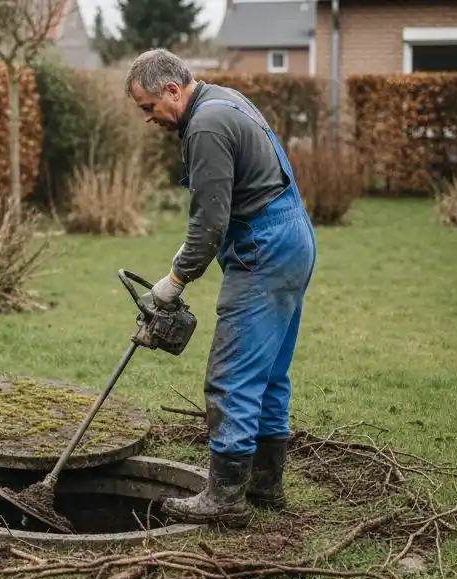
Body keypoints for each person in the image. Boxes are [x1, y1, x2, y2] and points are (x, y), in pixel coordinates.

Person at [124, 49, 317, 527]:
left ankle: (225, 498)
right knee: (269, 371)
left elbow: (209, 223)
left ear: (172, 90)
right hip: (292, 236)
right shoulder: (225, 99)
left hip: (263, 247)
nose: (149, 119)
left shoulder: (206, 126)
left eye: (148, 107)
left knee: (231, 374)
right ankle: (265, 485)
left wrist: (173, 282)